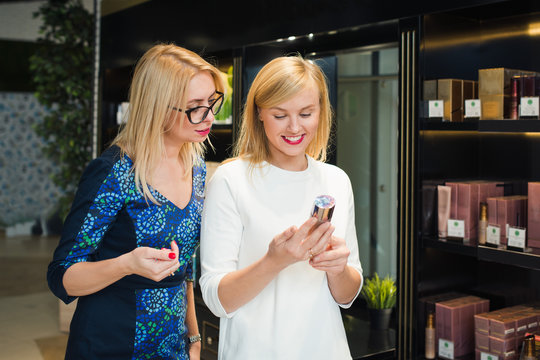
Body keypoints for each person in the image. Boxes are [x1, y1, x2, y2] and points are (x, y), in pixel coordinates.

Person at [47, 43, 226, 359]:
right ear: (158, 106)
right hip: (109, 342)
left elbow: (183, 268)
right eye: (196, 105)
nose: (209, 115)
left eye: (212, 101)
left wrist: (194, 339)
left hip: (173, 344)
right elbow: (62, 276)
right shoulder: (113, 171)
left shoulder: (197, 168)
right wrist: (126, 264)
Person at [199, 55, 363, 359]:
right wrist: (275, 260)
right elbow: (217, 299)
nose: (294, 127)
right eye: (280, 115)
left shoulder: (336, 180)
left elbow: (347, 296)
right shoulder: (230, 180)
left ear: (320, 112)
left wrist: (338, 269)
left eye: (306, 113)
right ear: (259, 113)